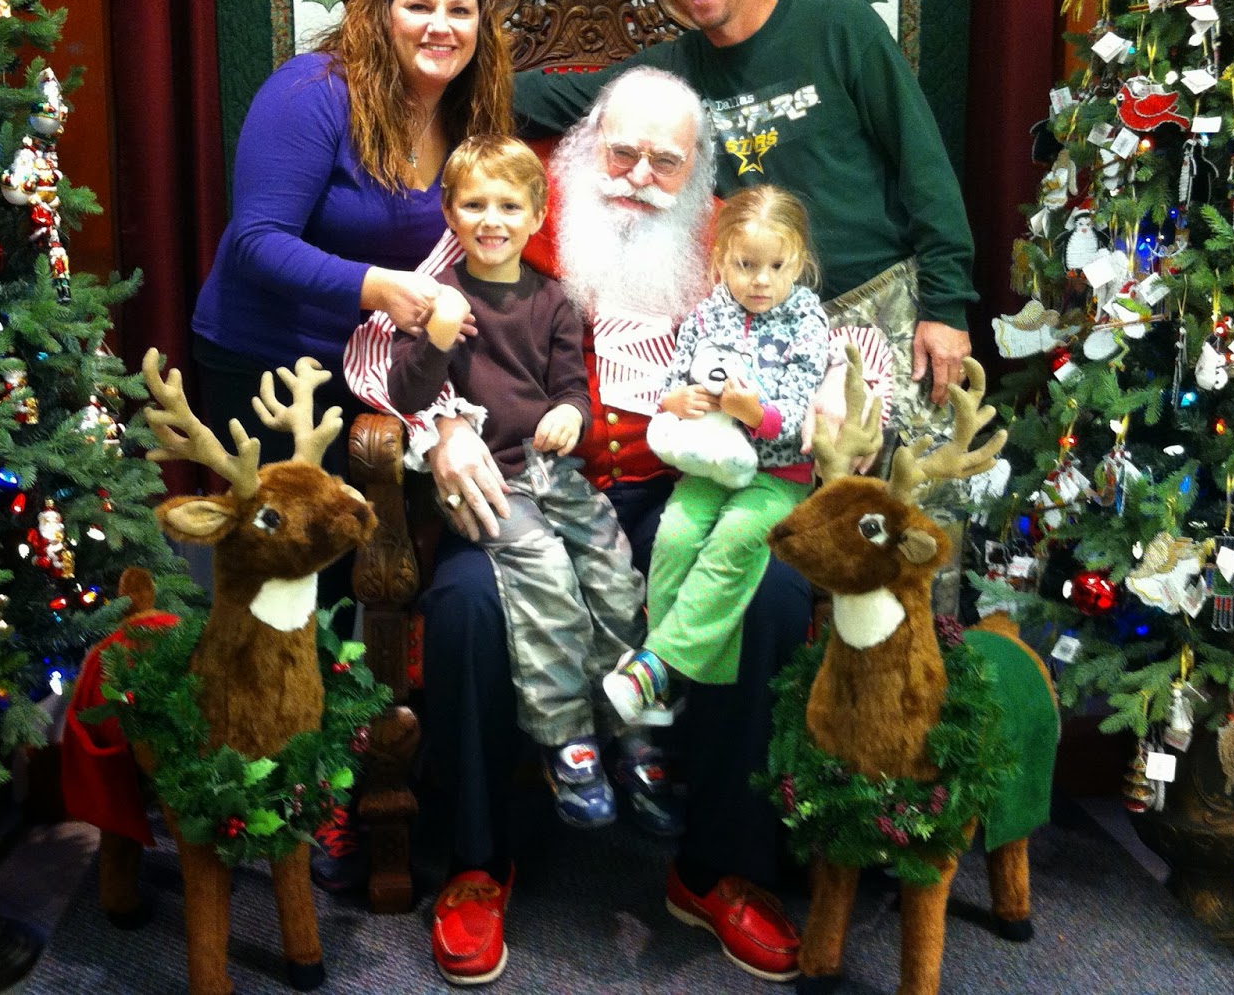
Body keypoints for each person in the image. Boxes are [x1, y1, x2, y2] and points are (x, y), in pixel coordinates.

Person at [347, 66, 892, 986]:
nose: (639, 175)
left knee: (768, 592)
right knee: (469, 605)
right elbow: (378, 343)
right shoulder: (515, 209)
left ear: (698, 168)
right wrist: (439, 427)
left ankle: (715, 869)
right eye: (622, 152)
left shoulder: (725, 238)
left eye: (665, 161)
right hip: (522, 489)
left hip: (670, 496)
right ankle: (478, 863)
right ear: (584, 144)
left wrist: (841, 397)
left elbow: (831, 335)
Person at [190, 0, 512, 889]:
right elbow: (256, 239)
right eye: (420, 5)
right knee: (289, 584)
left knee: (361, 576)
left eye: (460, 9)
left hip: (374, 370)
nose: (440, 25)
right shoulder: (313, 92)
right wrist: (379, 286)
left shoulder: (472, 105)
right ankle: (290, 793)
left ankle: (359, 763)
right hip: (264, 363)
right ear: (380, 7)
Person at [515, 0, 975, 425]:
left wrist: (946, 307)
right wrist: (442, 69)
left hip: (881, 304)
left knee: (917, 478)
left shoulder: (843, 29)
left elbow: (926, 172)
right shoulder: (670, 73)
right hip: (761, 329)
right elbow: (548, 99)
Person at [386, 134, 666, 833]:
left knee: (612, 570)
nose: (492, 220)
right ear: (450, 213)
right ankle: (566, 740)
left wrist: (571, 413)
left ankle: (631, 725)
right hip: (490, 482)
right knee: (546, 574)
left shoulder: (553, 300)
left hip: (554, 472)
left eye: (509, 206)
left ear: (537, 216)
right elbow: (406, 392)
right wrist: (439, 336)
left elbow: (570, 387)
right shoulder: (437, 299)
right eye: (474, 205)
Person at [605, 185, 829, 724]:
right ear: (722, 259)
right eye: (746, 265)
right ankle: (671, 682)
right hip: (708, 464)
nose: (761, 280)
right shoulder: (707, 315)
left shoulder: (807, 320)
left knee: (734, 540)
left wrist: (754, 413)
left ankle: (656, 667)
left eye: (776, 266)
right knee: (675, 535)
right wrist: (676, 400)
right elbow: (673, 382)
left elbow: (800, 416)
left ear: (799, 260)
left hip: (778, 475)